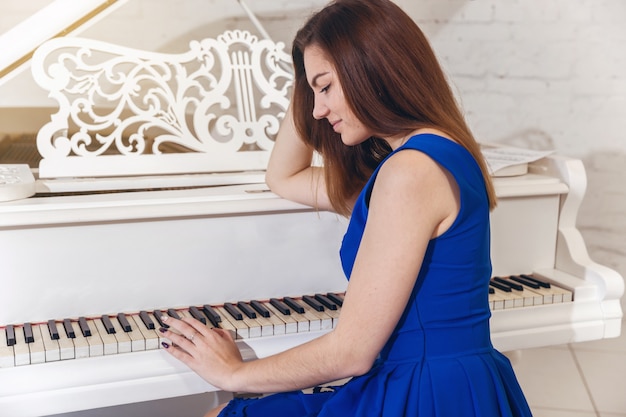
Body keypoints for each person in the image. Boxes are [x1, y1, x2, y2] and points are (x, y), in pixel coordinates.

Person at [160, 0, 533, 415]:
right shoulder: (441, 153)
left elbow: (352, 352)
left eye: (325, 88)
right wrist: (309, 74)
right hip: (458, 381)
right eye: (313, 92)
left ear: (370, 67)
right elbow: (283, 177)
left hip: (422, 393)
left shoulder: (409, 173)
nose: (317, 111)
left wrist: (234, 374)